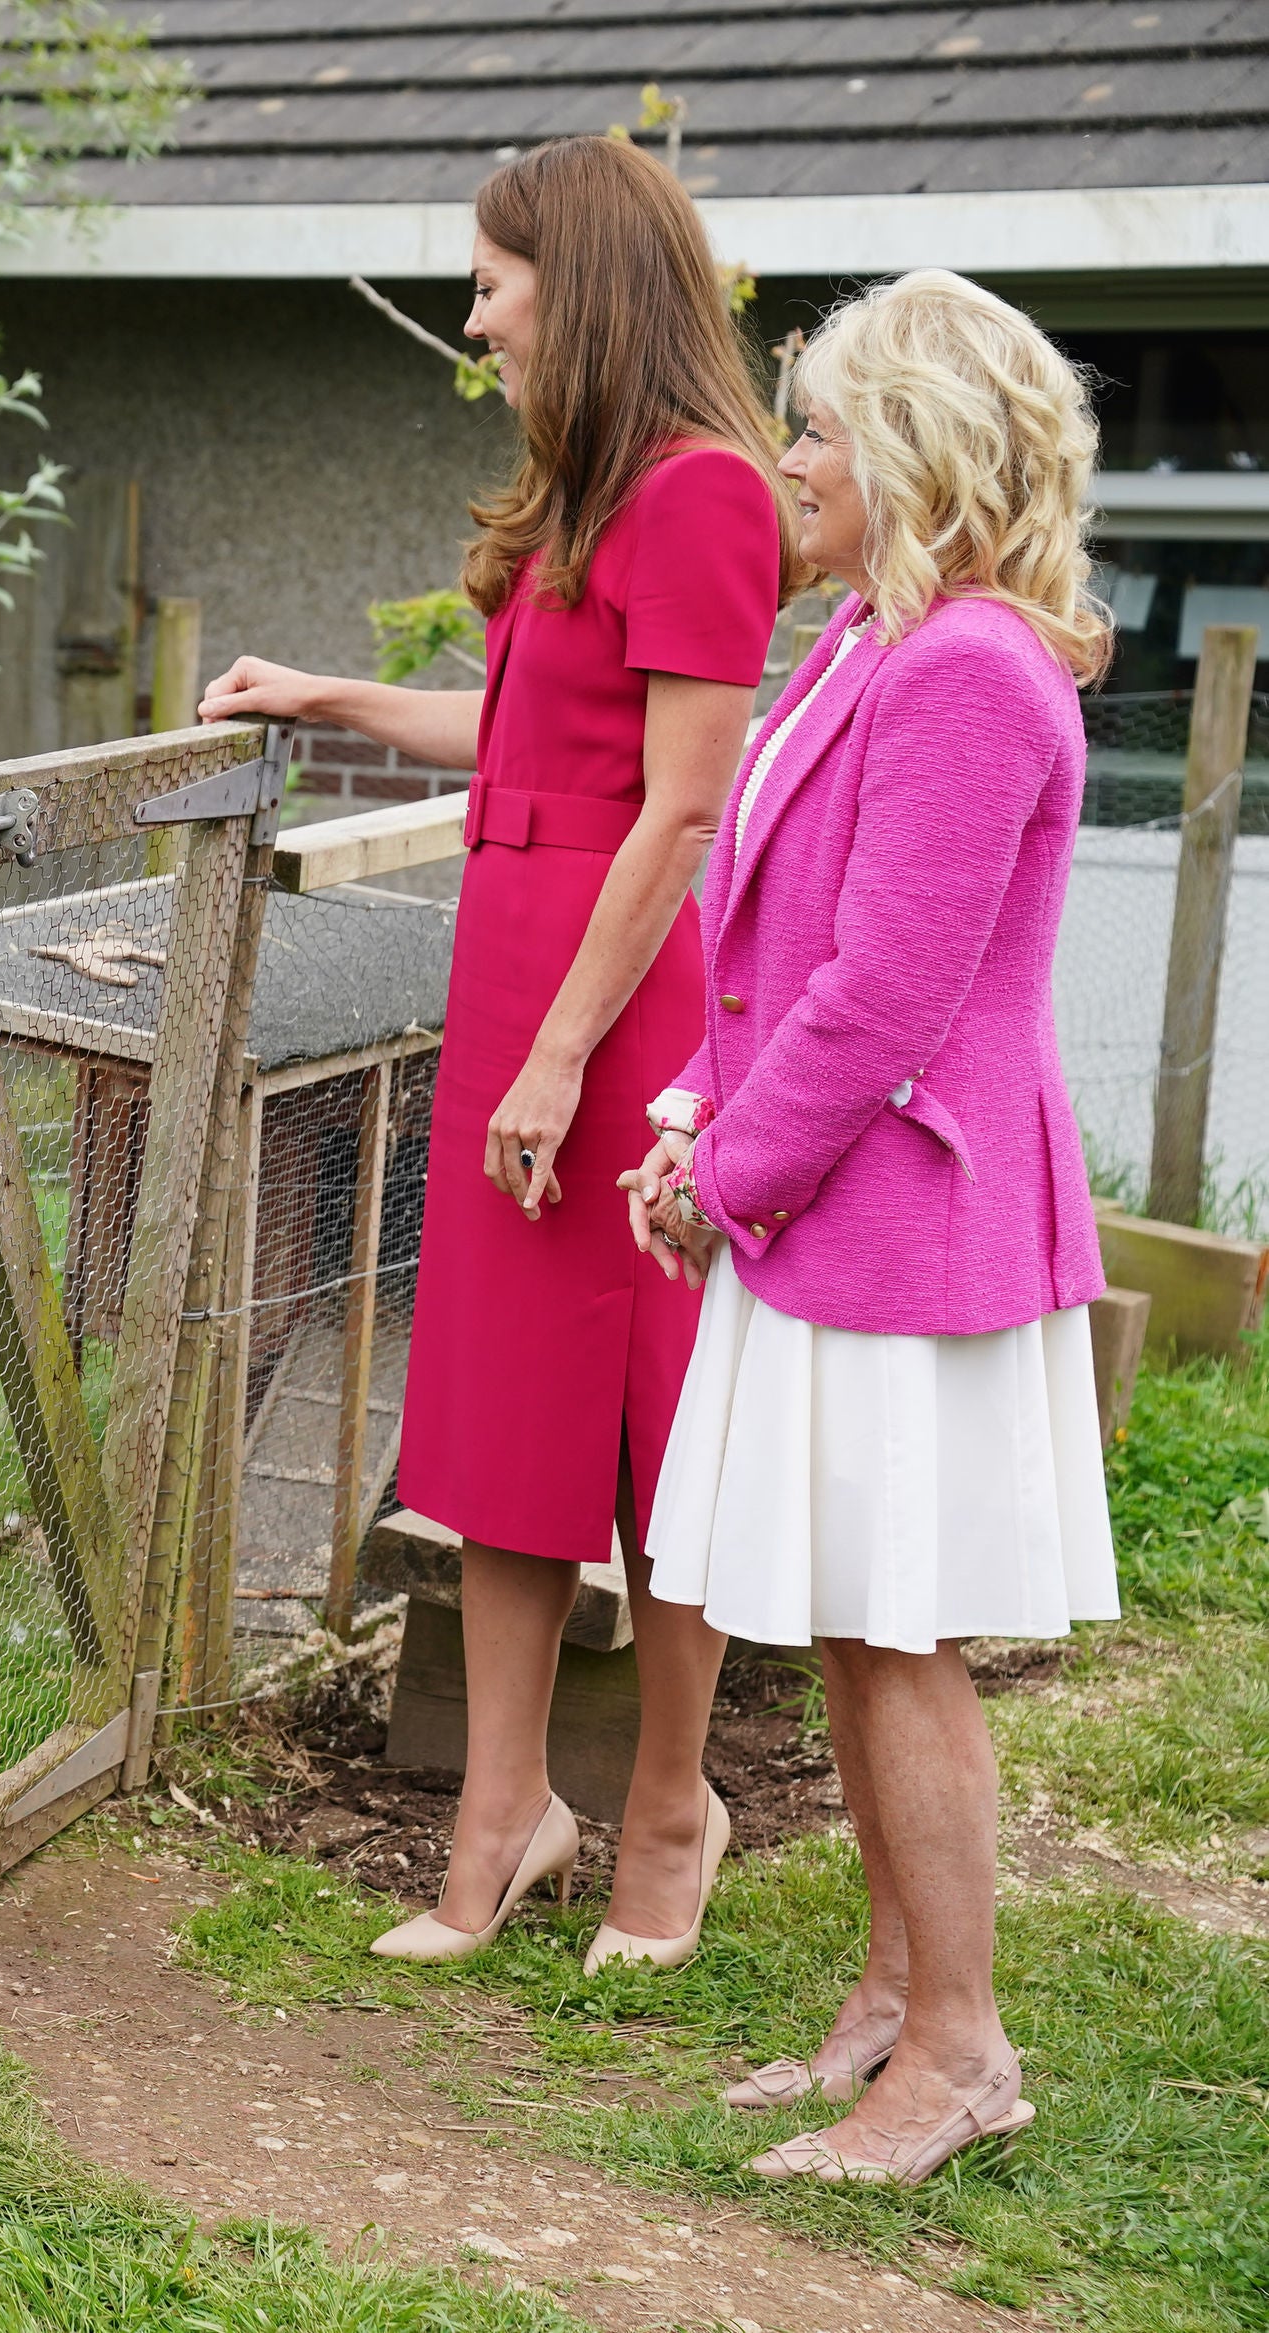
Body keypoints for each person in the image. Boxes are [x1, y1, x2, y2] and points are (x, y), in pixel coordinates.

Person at [197, 136, 791, 1969]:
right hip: (521, 973)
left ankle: (671, 1811)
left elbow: (679, 810)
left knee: (661, 1433)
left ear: (584, 283)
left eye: (492, 282)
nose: (477, 317)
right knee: (513, 1421)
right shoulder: (580, 501)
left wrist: (558, 1059)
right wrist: (328, 694)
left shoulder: (704, 495)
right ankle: (503, 1809)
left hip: (620, 1017)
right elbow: (530, 743)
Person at [628, 270, 1114, 2184]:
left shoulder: (975, 670)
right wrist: (696, 1120)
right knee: (848, 1608)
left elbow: (888, 994)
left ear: (914, 447)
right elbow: (771, 954)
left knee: (898, 1634)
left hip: (909, 1226)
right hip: (829, 1202)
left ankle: (964, 2050)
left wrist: (723, 1176)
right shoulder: (863, 642)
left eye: (822, 422)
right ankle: (890, 1998)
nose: (792, 456)